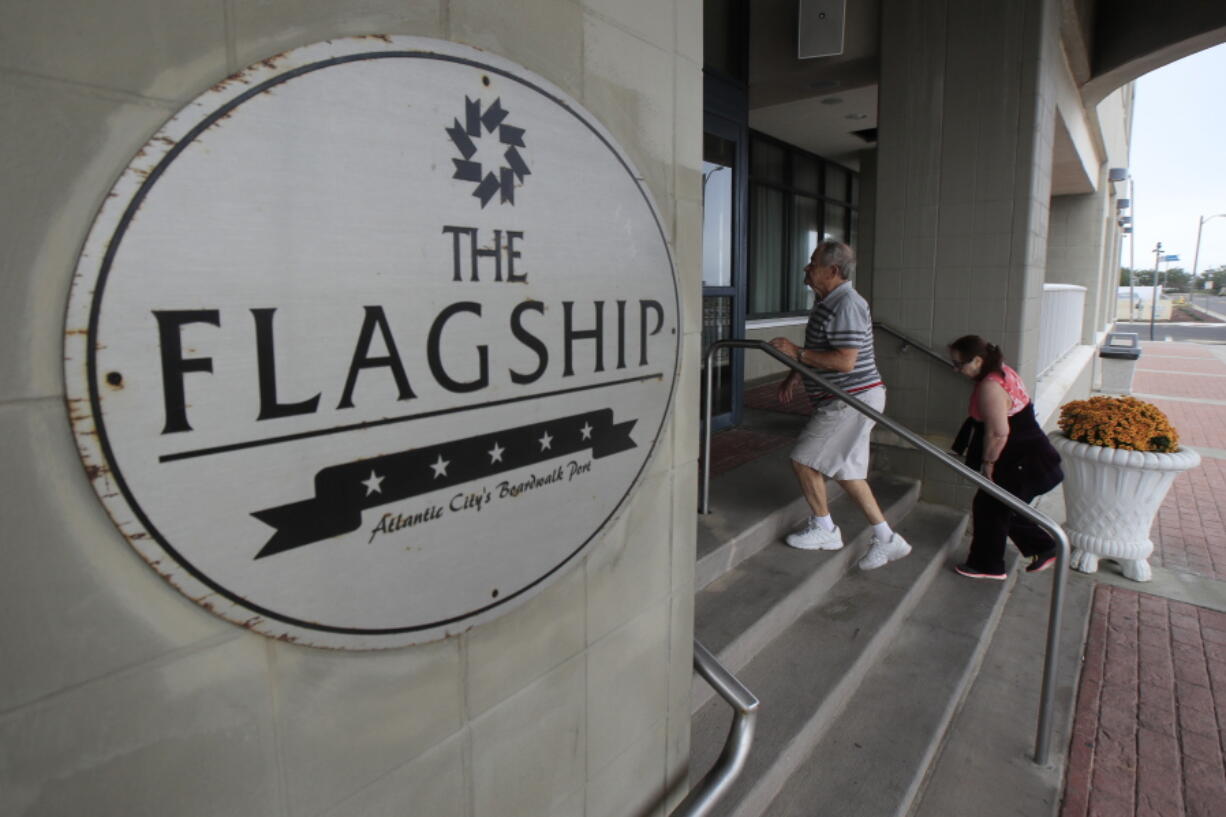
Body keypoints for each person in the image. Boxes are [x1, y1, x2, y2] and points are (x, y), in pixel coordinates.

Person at [768, 240, 911, 570]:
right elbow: (818, 348)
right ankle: (887, 539)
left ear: (833, 270)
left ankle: (825, 529)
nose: (807, 269)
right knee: (848, 473)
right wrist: (795, 374)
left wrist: (796, 353)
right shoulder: (828, 301)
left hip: (850, 399)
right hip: (851, 397)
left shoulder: (846, 303)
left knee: (804, 459)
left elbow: (845, 361)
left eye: (813, 263)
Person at [947, 335, 1063, 579]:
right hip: (1031, 456)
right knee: (994, 507)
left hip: (1023, 461)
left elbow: (999, 433)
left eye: (959, 364)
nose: (955, 369)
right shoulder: (1003, 372)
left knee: (994, 507)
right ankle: (1030, 551)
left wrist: (988, 463)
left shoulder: (991, 385)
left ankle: (993, 563)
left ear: (978, 360)